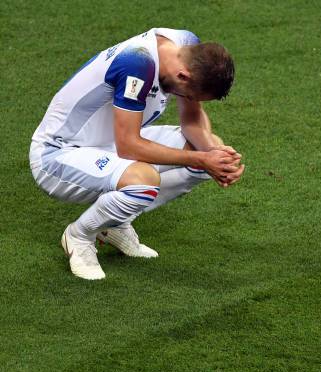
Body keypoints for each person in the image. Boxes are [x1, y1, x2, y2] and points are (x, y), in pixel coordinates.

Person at [29, 28, 244, 280]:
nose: (187, 99)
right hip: (58, 155)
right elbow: (129, 146)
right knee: (144, 180)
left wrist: (216, 156)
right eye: (188, 94)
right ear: (183, 75)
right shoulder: (137, 63)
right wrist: (202, 159)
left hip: (108, 143)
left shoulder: (188, 49)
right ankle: (79, 235)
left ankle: (113, 224)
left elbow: (192, 121)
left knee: (204, 150)